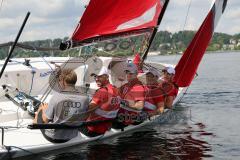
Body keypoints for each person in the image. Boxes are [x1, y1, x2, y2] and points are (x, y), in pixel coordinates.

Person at [33, 69, 89, 143]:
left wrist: (43, 109)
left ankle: (34, 121)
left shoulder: (56, 96)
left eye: (59, 81)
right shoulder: (85, 97)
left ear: (63, 81)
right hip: (71, 135)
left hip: (54, 137)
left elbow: (45, 120)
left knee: (41, 110)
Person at [79, 67, 120, 137]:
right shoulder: (116, 89)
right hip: (107, 127)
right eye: (95, 76)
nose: (96, 79)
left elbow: (87, 112)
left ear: (107, 77)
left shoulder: (101, 92)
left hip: (93, 130)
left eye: (100, 76)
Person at [114, 63, 145, 128]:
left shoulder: (138, 87)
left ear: (136, 73)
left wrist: (125, 103)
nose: (128, 75)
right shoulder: (126, 85)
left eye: (131, 73)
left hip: (127, 118)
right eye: (127, 72)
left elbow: (140, 106)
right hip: (120, 112)